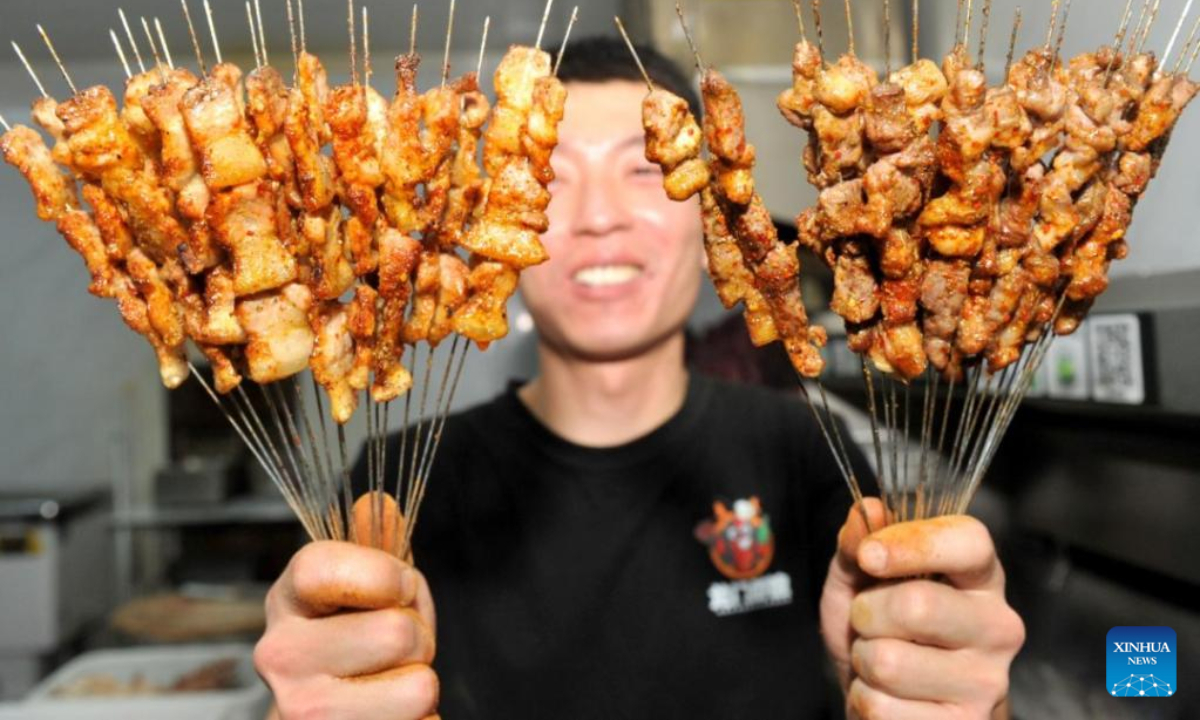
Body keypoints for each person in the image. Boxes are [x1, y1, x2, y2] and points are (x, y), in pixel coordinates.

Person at [254, 37, 1025, 719]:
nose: (598, 218)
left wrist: (947, 694)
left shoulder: (803, 452)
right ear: (499, 225)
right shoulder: (403, 487)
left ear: (711, 223)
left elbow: (914, 672)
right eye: (550, 180)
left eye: (647, 169)